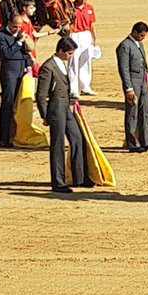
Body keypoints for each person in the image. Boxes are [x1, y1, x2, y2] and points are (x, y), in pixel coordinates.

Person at [36, 37, 86, 193]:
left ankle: (79, 178)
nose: (70, 56)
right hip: (55, 108)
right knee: (57, 145)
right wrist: (45, 116)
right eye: (69, 53)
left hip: (65, 106)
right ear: (60, 51)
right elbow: (41, 95)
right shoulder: (48, 67)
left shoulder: (61, 64)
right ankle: (58, 182)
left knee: (77, 137)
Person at [0, 14, 32, 148]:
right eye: (15, 26)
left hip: (22, 71)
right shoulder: (0, 36)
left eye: (19, 27)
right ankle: (4, 138)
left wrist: (28, 66)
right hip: (9, 72)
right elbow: (6, 54)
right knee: (8, 103)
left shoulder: (20, 35)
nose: (17, 29)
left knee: (19, 104)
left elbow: (26, 53)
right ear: (9, 23)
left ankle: (16, 135)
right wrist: (19, 42)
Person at [117, 22, 148, 153]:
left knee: (145, 110)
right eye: (142, 35)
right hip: (133, 81)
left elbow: (144, 63)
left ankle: (146, 141)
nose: (143, 38)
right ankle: (133, 143)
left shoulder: (139, 43)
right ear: (134, 32)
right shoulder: (124, 46)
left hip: (142, 80)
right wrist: (128, 88)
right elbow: (124, 69)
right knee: (133, 112)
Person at [69, 0, 97, 95]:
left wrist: (94, 39)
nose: (83, 1)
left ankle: (85, 87)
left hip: (86, 34)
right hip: (74, 34)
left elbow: (92, 25)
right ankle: (73, 90)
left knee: (86, 61)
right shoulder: (71, 7)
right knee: (73, 61)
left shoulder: (90, 8)